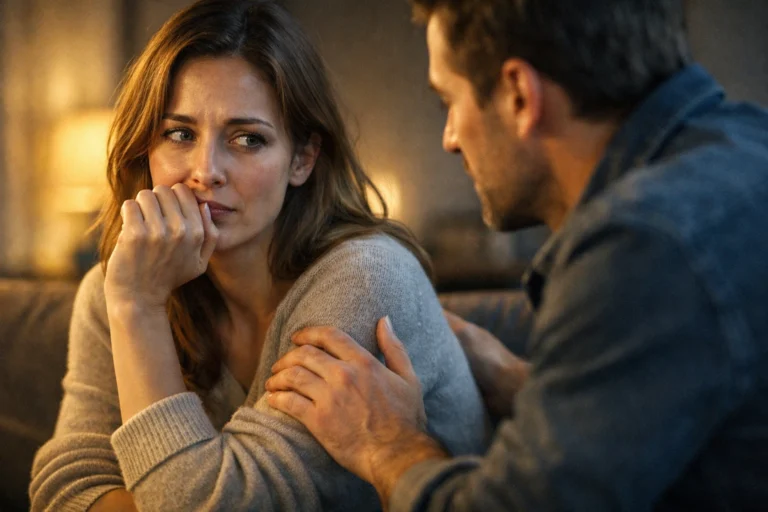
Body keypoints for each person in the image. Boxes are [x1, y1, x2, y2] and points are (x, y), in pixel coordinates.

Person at [266, 0, 768, 510]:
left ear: (519, 96)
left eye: (448, 104)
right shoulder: (747, 144)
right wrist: (516, 380)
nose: (450, 140)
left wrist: (387, 444)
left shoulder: (643, 244)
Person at [28, 1, 490, 510]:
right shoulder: (115, 288)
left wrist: (140, 311)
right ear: (146, 149)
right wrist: (136, 302)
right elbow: (64, 490)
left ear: (302, 158)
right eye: (179, 134)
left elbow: (213, 504)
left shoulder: (366, 277)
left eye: (247, 139)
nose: (206, 171)